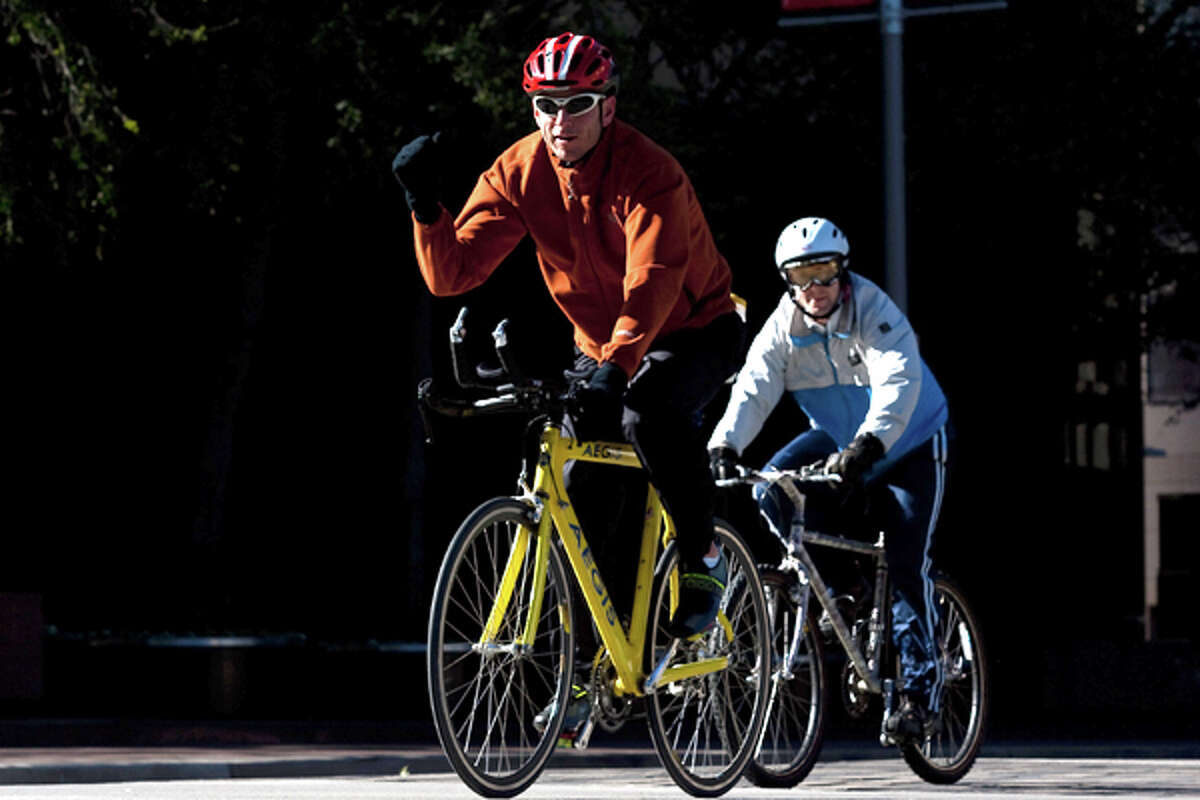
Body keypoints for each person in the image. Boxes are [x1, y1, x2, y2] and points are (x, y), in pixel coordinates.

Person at [392, 32, 745, 736]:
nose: (560, 119)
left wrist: (615, 370)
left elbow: (651, 283)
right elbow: (451, 274)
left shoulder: (651, 174)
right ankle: (589, 663)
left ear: (608, 108)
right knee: (581, 488)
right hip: (601, 343)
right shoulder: (520, 171)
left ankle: (702, 557)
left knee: (649, 417)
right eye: (545, 105)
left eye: (577, 104)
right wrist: (425, 207)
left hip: (693, 327)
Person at [707, 216, 950, 742]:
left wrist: (870, 444)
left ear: (844, 272)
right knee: (770, 488)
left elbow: (899, 380)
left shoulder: (874, 310)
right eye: (801, 277)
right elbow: (753, 388)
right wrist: (724, 445)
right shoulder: (782, 328)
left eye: (825, 273)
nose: (815, 289)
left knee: (907, 564)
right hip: (842, 439)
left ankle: (917, 695)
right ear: (787, 282)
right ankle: (844, 588)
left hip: (908, 440)